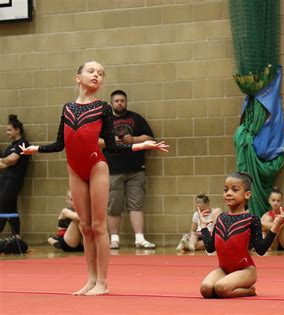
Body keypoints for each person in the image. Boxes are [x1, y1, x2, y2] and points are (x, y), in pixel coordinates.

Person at [20, 61, 169, 296]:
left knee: (99, 226)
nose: (96, 75)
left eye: (101, 73)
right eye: (91, 71)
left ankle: (103, 282)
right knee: (86, 226)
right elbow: (61, 144)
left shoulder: (103, 108)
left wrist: (140, 145)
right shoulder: (67, 108)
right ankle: (90, 279)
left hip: (96, 166)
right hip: (74, 170)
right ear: (77, 78)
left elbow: (112, 146)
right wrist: (35, 149)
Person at [199, 172, 284, 298]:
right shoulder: (220, 218)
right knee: (205, 289)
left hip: (245, 271)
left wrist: (276, 226)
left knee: (221, 288)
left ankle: (249, 290)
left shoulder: (252, 219)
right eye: (225, 190)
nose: (228, 193)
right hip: (224, 270)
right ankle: (230, 282)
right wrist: (204, 227)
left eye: (235, 190)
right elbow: (210, 247)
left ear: (247, 194)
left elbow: (261, 249)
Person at [99, 90, 157, 250]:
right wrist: (111, 141)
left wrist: (133, 140)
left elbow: (150, 139)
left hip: (135, 170)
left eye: (122, 101)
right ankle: (114, 239)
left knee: (136, 205)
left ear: (126, 102)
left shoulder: (136, 118)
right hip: (112, 170)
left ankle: (139, 238)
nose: (120, 103)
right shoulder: (104, 121)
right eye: (116, 101)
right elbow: (95, 141)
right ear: (111, 103)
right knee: (113, 206)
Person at [0, 115, 30, 240]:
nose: (7, 132)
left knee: (2, 206)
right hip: (5, 179)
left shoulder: (23, 143)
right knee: (11, 207)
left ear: (17, 130)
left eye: (9, 130)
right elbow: (3, 164)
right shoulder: (9, 147)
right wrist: (5, 161)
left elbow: (12, 160)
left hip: (14, 180)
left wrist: (5, 161)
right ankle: (16, 236)